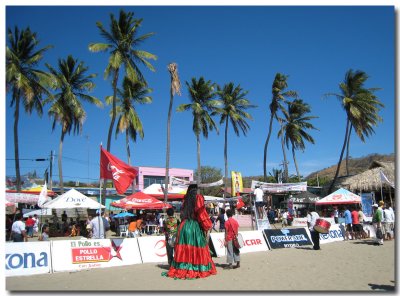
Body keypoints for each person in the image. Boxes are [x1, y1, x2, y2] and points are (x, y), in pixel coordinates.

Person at [162, 184, 217, 279]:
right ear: (196, 190)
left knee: (185, 249)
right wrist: (207, 225)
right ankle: (195, 268)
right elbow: (201, 214)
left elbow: (183, 214)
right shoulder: (198, 198)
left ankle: (182, 266)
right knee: (196, 246)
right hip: (194, 226)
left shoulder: (185, 199)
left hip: (184, 226)